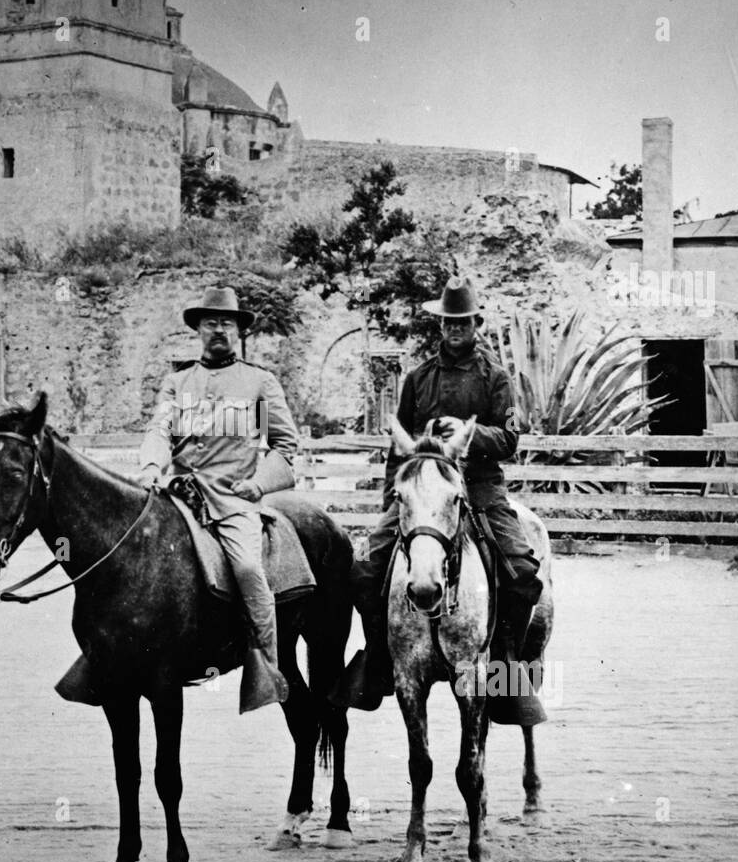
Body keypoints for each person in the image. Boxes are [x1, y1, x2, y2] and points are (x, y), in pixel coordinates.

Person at [55, 286, 298, 714]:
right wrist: (151, 466)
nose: (218, 330)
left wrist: (258, 485)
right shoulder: (179, 382)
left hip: (232, 498)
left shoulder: (258, 384)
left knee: (246, 567)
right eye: (210, 323)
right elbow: (160, 430)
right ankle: (101, 653)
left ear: (239, 331)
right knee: (123, 555)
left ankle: (265, 663)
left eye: (226, 323)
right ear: (198, 330)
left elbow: (282, 445)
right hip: (179, 495)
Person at [331, 278, 546, 725]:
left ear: (475, 324)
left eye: (462, 322)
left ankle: (503, 667)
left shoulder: (495, 377)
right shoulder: (419, 378)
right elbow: (400, 448)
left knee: (522, 572)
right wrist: (396, 498)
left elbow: (509, 438)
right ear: (440, 325)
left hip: (479, 487)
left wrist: (466, 432)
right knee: (366, 570)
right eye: (447, 322)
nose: (454, 329)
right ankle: (379, 660)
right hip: (421, 490)